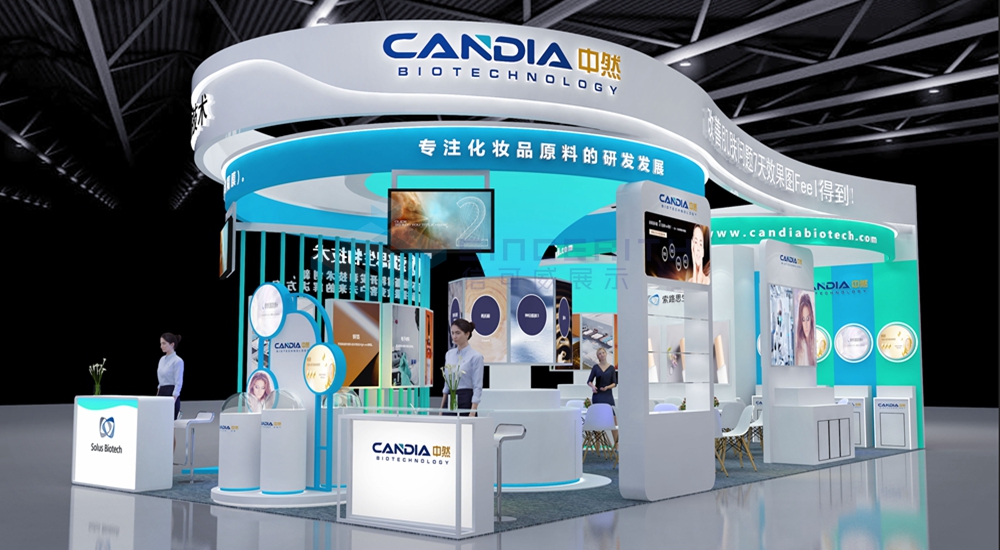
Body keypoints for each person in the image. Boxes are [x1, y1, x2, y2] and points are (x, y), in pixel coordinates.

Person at [440, 319, 484, 417]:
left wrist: (472, 411)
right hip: (450, 398)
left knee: (464, 426)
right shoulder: (449, 354)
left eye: (458, 333)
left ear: (467, 334)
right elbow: (446, 384)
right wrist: (441, 409)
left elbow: (477, 386)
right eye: (452, 333)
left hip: (466, 398)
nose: (454, 336)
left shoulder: (476, 357)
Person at [157, 333, 184, 452]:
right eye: (161, 343)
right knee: (160, 427)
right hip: (161, 394)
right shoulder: (162, 360)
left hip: (171, 395)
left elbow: (178, 382)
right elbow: (160, 382)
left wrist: (173, 399)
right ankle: (161, 454)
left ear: (172, 344)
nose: (161, 346)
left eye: (164, 343)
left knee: (170, 428)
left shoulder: (178, 361)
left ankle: (170, 457)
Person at [587, 347, 618, 446]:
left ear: (606, 354)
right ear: (598, 356)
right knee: (597, 420)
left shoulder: (611, 368)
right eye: (599, 353)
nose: (602, 354)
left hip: (608, 395)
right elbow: (589, 381)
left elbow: (614, 383)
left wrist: (607, 387)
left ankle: (617, 445)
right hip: (598, 395)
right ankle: (597, 445)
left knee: (613, 420)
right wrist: (593, 387)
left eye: (603, 352)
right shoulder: (595, 367)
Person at [795, 294, 817, 366]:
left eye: (808, 319)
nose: (806, 325)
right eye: (803, 320)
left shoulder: (816, 342)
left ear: (811, 319)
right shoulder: (798, 348)